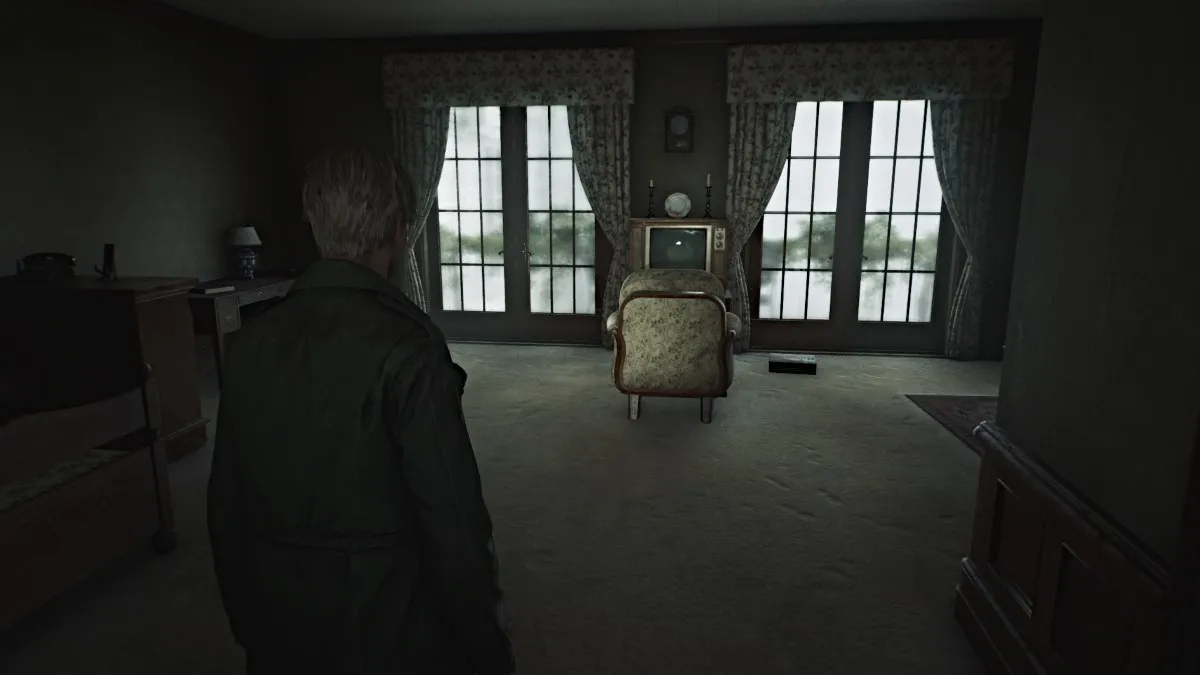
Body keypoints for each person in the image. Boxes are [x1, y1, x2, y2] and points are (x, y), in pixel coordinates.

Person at [207, 147, 514, 675]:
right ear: (398, 229)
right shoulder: (411, 349)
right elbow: (455, 524)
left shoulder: (249, 344)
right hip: (392, 631)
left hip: (280, 626)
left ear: (315, 224)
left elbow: (225, 509)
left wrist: (249, 624)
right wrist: (488, 647)